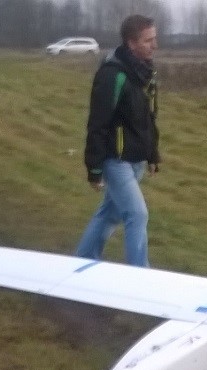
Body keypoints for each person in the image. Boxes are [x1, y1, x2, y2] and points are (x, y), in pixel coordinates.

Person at [75, 15, 160, 268]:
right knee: (137, 214)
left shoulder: (145, 72)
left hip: (136, 160)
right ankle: (139, 277)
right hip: (116, 160)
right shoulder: (113, 75)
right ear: (131, 43)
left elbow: (148, 117)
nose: (154, 45)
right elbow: (98, 123)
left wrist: (152, 154)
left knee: (110, 214)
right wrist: (94, 169)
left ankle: (81, 262)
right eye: (148, 40)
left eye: (155, 39)